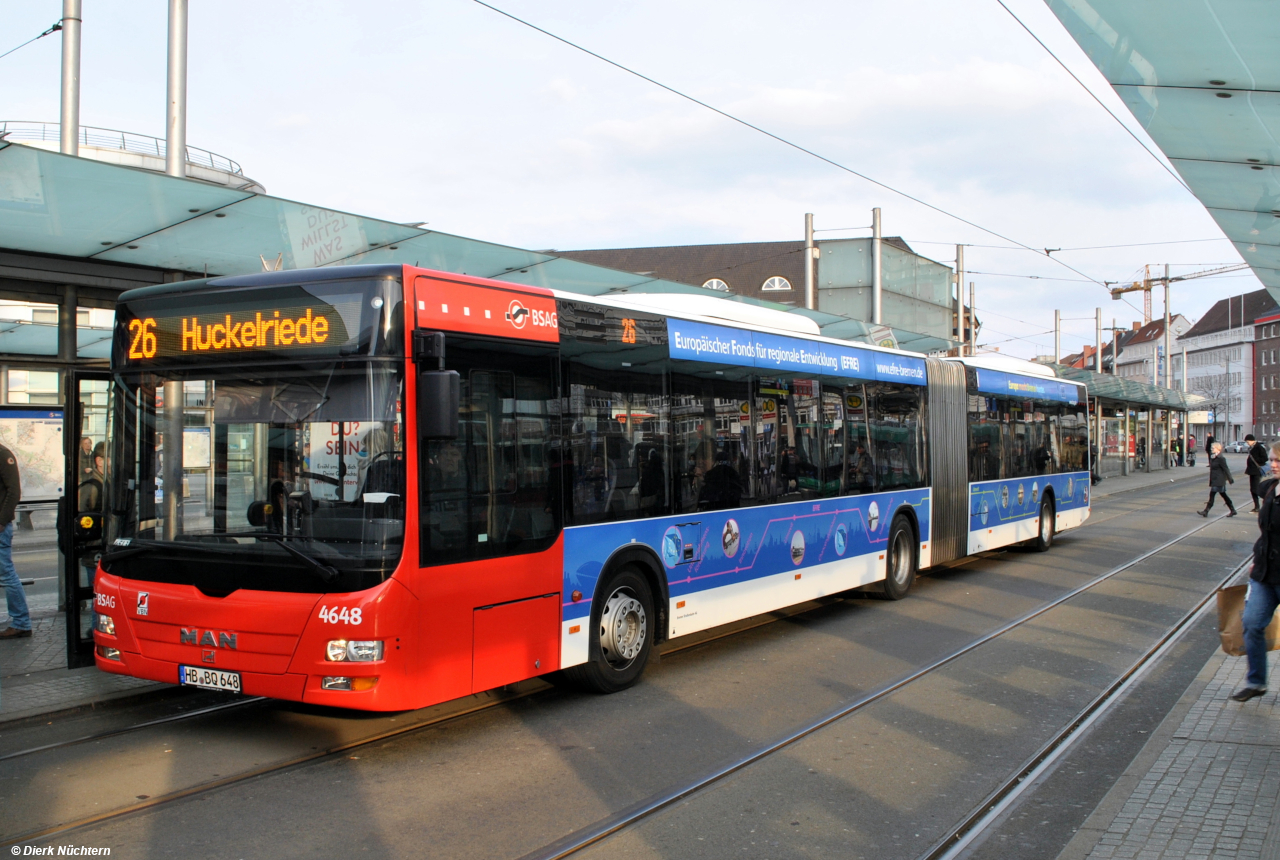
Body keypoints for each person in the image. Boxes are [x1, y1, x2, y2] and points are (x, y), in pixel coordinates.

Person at [1232, 441, 1280, 701]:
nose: (1273, 465)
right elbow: (1266, 533)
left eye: (1278, 461)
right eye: (1272, 460)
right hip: (1264, 573)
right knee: (1251, 623)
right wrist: (1257, 557)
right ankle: (1257, 681)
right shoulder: (1271, 489)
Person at [0, 443, 28, 639]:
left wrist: (1, 520)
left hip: (0, 526)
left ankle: (21, 622)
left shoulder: (3, 454)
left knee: (6, 574)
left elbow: (13, 491)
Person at [1199, 441, 1237, 518]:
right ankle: (1233, 510)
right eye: (1211, 448)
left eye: (1213, 448)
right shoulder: (1213, 457)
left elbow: (1226, 469)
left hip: (1219, 480)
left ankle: (1206, 511)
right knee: (1224, 495)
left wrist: (1230, 479)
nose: (1211, 449)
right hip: (1215, 479)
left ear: (1217, 449)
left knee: (1212, 495)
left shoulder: (1221, 458)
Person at [1246, 434, 1268, 512]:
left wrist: (1256, 459)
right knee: (1252, 489)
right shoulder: (1251, 448)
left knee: (1255, 489)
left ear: (1252, 440)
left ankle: (1265, 503)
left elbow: (1265, 458)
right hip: (1251, 471)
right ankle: (1257, 506)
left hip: (1257, 471)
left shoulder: (1259, 448)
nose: (1247, 443)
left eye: (1248, 441)